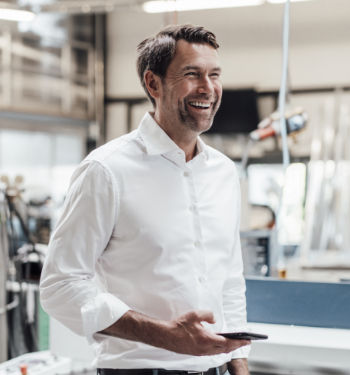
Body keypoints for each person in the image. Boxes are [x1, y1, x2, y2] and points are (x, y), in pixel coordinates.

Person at [40, 24, 251, 375]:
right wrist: (164, 335)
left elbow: (229, 279)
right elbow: (60, 286)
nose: (208, 88)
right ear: (153, 84)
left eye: (214, 75)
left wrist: (238, 365)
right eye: (192, 74)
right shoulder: (106, 170)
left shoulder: (224, 173)